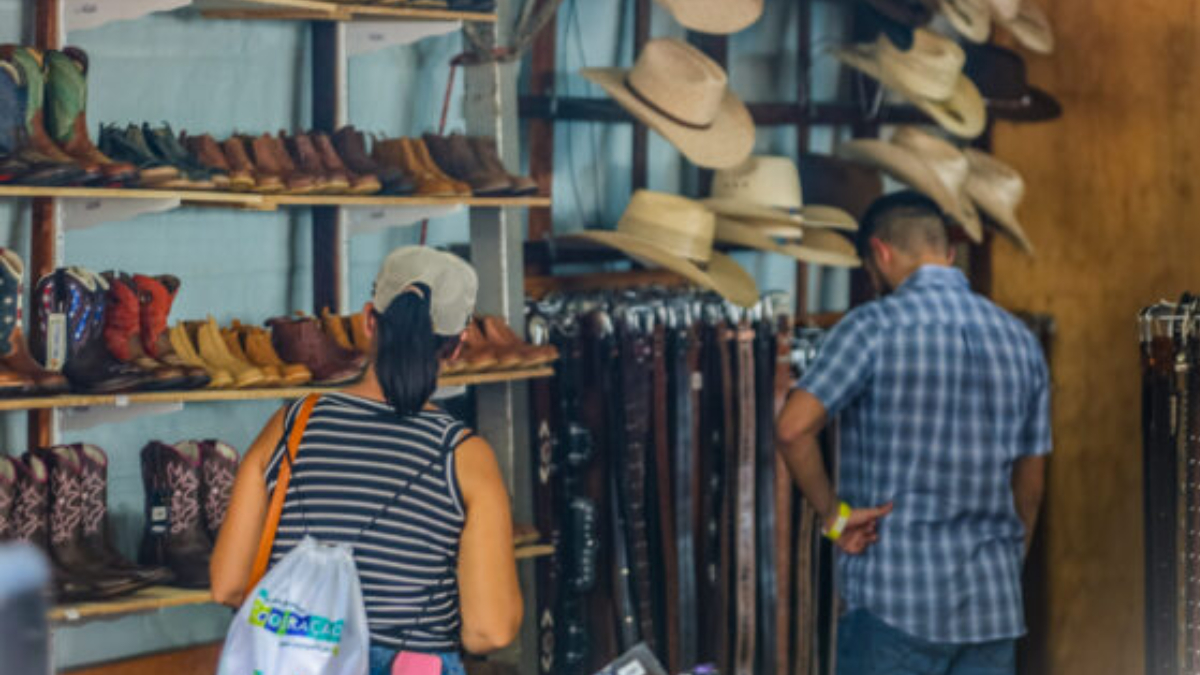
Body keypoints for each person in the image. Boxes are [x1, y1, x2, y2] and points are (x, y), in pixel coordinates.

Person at [210, 246, 523, 675]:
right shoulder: (464, 457)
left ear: (368, 321)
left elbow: (228, 584)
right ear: (457, 345)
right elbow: (489, 631)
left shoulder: (293, 423)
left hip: (292, 658)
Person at [776, 191, 1050, 675]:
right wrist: (1006, 564)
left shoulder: (871, 328)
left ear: (879, 254)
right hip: (993, 608)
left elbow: (794, 429)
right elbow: (1029, 484)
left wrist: (835, 517)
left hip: (894, 605)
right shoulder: (1019, 340)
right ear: (948, 253)